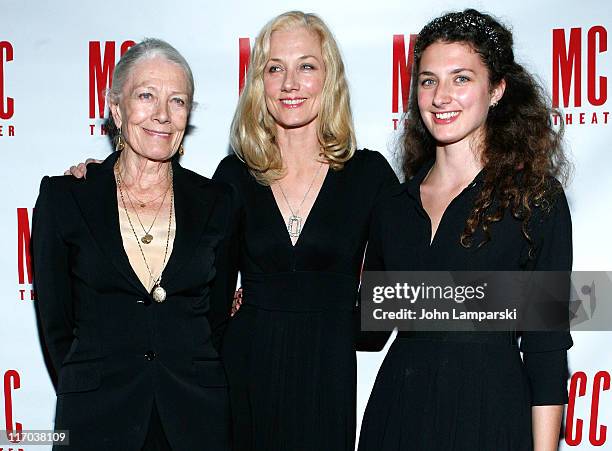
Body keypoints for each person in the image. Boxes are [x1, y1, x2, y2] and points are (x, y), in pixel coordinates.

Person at [357, 9, 572, 451]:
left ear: (496, 90)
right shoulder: (394, 207)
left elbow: (545, 350)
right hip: (398, 415)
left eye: (461, 78)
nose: (441, 96)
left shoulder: (534, 199)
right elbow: (369, 329)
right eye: (428, 80)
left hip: (489, 417)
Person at [32, 38, 235, 451]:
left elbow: (213, 318)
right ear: (116, 108)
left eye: (177, 101)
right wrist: (89, 384)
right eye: (146, 95)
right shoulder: (66, 198)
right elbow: (56, 324)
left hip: (195, 419)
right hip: (95, 420)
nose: (162, 114)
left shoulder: (217, 201)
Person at [212, 11, 398, 451]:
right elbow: (207, 294)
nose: (289, 83)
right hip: (245, 370)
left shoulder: (369, 175)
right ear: (260, 82)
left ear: (329, 77)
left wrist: (343, 325)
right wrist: (105, 179)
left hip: (326, 371)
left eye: (306, 66)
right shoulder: (233, 176)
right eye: (275, 68)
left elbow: (391, 290)